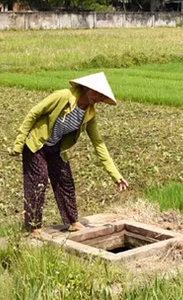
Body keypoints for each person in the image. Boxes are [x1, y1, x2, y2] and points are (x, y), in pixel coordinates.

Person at [11, 72, 129, 235]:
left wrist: (115, 175)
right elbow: (34, 113)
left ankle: (72, 221)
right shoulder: (63, 96)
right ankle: (33, 227)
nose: (97, 97)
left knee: (65, 181)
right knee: (39, 182)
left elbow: (98, 143)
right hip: (36, 144)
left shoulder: (89, 114)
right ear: (86, 88)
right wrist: (19, 142)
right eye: (95, 92)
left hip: (56, 148)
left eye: (100, 95)